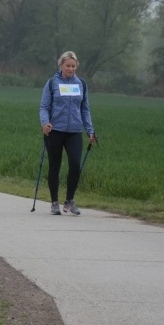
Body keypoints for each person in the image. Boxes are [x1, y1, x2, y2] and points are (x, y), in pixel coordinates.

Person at [39, 51, 97, 216]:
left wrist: (90, 130)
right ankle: (54, 202)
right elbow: (44, 107)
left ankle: (70, 200)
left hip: (74, 131)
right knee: (54, 166)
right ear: (61, 65)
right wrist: (45, 123)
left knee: (75, 165)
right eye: (67, 66)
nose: (71, 69)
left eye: (73, 66)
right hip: (55, 130)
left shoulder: (81, 84)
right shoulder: (52, 83)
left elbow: (85, 109)